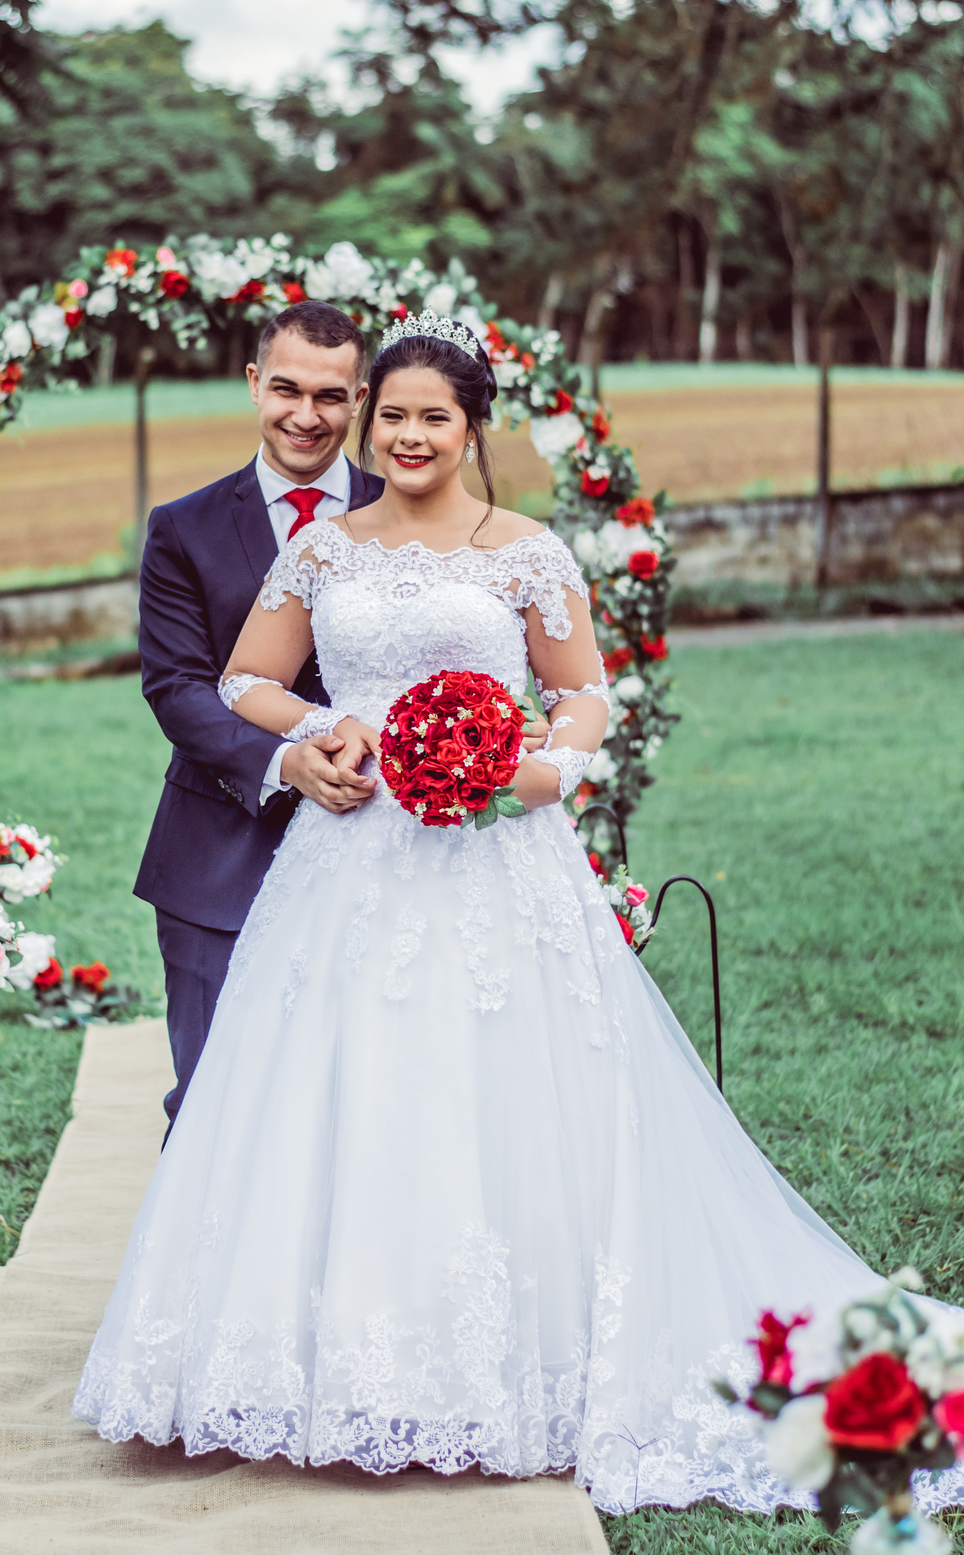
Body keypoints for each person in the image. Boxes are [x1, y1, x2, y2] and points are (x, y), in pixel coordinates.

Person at [74, 314, 914, 1514]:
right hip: (348, 866)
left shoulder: (527, 551)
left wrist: (532, 772)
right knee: (337, 1098)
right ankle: (320, 1364)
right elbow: (241, 680)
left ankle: (515, 1361)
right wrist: (323, 729)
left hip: (496, 864)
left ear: (474, 430)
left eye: (436, 416)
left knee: (501, 1098)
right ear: (373, 420)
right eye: (396, 416)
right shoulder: (321, 554)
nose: (410, 435)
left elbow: (581, 697)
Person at [133, 300, 383, 1130]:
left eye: (330, 396)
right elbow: (176, 687)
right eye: (286, 389)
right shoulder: (184, 529)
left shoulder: (411, 514)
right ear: (253, 384)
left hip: (383, 847)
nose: (306, 416)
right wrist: (288, 761)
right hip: (219, 855)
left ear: (360, 399)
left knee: (362, 1102)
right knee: (216, 1104)